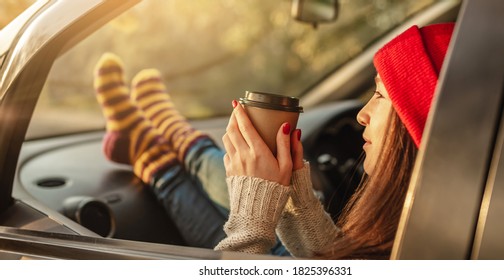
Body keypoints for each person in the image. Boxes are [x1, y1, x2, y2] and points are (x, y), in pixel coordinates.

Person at [93, 22, 455, 259]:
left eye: (380, 96)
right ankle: (157, 147)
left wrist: (251, 223)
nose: (362, 114)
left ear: (419, 121)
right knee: (260, 182)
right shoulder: (439, 230)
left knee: (251, 205)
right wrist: (296, 197)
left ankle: (158, 142)